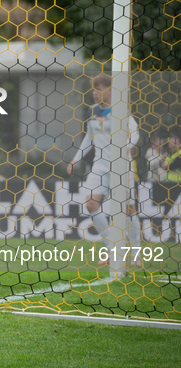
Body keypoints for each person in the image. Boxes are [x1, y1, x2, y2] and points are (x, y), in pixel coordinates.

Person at [67, 74, 141, 266]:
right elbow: (89, 138)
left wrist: (127, 146)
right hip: (99, 166)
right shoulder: (93, 111)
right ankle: (113, 249)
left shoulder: (120, 110)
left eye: (99, 88)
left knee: (128, 209)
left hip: (121, 166)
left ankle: (136, 254)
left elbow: (134, 132)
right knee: (91, 204)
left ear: (110, 90)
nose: (95, 93)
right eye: (94, 89)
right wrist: (75, 159)